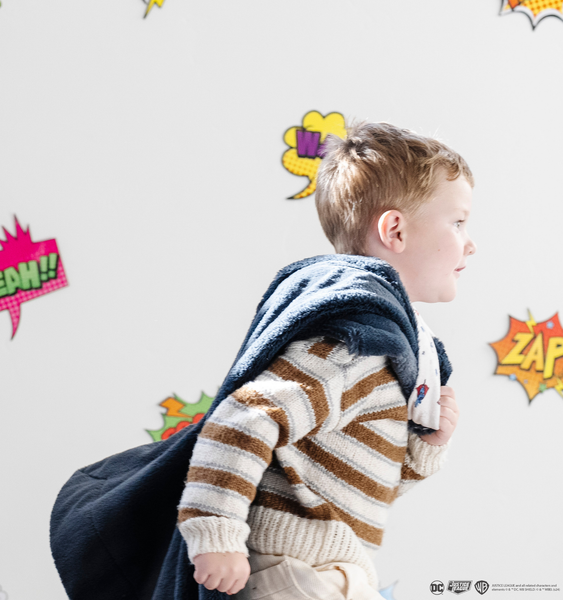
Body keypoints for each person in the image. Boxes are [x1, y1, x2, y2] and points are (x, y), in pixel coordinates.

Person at [176, 120, 477, 600]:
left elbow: (353, 483)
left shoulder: (399, 349)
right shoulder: (352, 346)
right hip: (297, 572)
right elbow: (244, 418)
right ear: (395, 230)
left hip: (334, 570)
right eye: (458, 222)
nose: (470, 242)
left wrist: (423, 448)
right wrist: (215, 532)